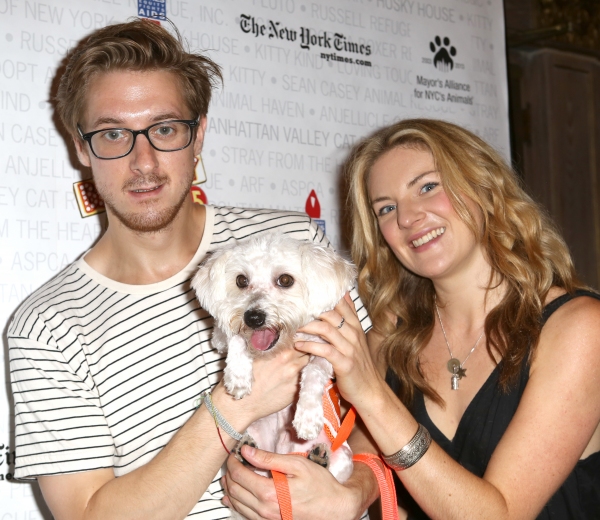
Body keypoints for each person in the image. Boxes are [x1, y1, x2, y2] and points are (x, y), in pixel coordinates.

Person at [7, 19, 378, 520]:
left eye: (164, 129)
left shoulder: (293, 244)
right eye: (113, 133)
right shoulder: (47, 327)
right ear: (80, 146)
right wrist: (233, 407)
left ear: (198, 134)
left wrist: (354, 489)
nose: (142, 161)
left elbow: (374, 403)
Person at [276, 119, 600, 519]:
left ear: (483, 188)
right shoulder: (391, 336)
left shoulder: (578, 328)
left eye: (427, 187)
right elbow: (366, 449)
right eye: (387, 209)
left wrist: (371, 392)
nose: (408, 218)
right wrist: (351, 494)